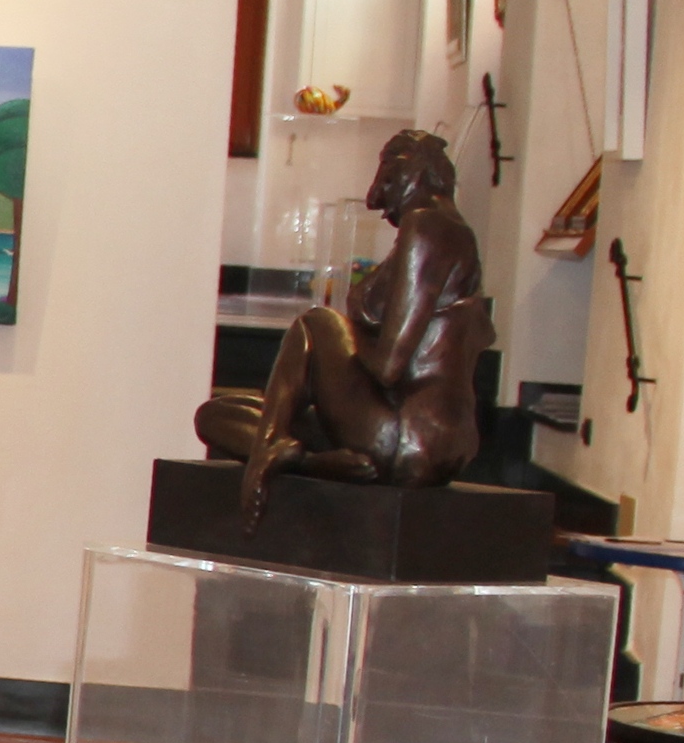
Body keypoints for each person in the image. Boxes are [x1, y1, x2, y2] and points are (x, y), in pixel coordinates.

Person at [194, 125, 488, 517]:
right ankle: (304, 459)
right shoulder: (454, 234)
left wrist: (333, 347)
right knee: (215, 415)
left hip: (403, 433)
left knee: (316, 323)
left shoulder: (427, 226)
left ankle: (270, 450)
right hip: (419, 441)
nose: (374, 200)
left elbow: (388, 366)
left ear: (412, 174)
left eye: (386, 180)